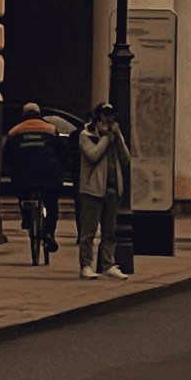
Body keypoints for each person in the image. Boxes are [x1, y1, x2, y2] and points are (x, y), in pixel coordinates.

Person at [4, 100, 64, 267]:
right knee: (52, 204)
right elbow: (61, 152)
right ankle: (50, 232)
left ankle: (26, 217)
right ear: (39, 114)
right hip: (49, 175)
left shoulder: (14, 131)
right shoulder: (51, 129)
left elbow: (6, 156)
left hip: (24, 177)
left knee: (23, 194)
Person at [75, 102, 130, 276]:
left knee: (110, 231)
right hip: (92, 191)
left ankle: (108, 264)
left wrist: (118, 136)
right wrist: (105, 138)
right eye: (105, 116)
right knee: (88, 231)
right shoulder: (86, 135)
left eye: (111, 116)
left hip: (113, 190)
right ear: (97, 118)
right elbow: (93, 155)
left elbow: (126, 159)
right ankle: (86, 265)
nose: (108, 120)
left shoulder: (115, 136)